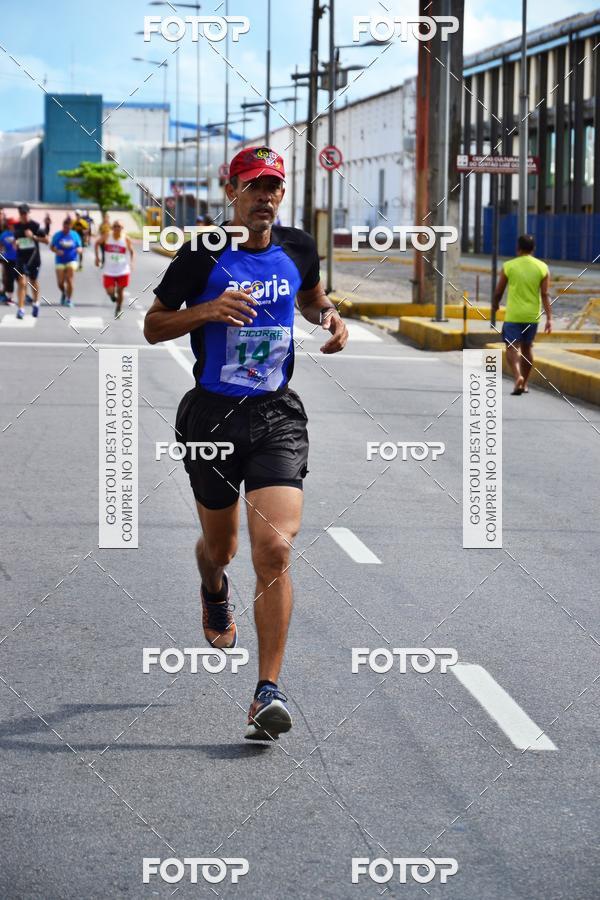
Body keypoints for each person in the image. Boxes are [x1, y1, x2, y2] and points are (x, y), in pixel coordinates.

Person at [144, 146, 348, 741]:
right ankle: (213, 589)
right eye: (254, 185)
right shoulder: (203, 250)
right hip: (210, 416)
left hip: (276, 416)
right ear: (230, 189)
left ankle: (266, 692)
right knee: (223, 548)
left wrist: (331, 318)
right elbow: (154, 326)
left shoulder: (298, 246)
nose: (266, 196)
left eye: (274, 186)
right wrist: (207, 310)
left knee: (276, 549)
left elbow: (310, 298)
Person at [493, 234, 552, 395]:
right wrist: (550, 319)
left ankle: (517, 376)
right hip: (532, 316)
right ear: (533, 249)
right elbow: (545, 294)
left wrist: (495, 305)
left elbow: (499, 291)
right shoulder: (542, 267)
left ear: (517, 248)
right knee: (527, 348)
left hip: (513, 315)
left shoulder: (509, 266)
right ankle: (524, 383)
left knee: (512, 347)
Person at [14, 203, 49, 319]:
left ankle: (36, 303)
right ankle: (21, 309)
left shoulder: (36, 225)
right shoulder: (16, 226)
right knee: (22, 282)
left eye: (25, 213)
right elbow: (15, 240)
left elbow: (46, 240)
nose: (24, 215)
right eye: (21, 213)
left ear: (29, 213)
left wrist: (33, 237)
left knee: (33, 281)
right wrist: (15, 244)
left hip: (34, 258)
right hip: (21, 258)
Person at [95, 220, 134, 318]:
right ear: (112, 227)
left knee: (120, 291)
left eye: (119, 226)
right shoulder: (108, 236)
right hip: (109, 270)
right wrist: (97, 257)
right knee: (110, 291)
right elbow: (96, 243)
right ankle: (113, 296)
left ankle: (119, 308)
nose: (117, 228)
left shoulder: (126, 239)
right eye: (115, 226)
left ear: (122, 228)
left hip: (123, 270)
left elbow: (132, 251)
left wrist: (132, 263)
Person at [50, 218, 82, 307]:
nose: (66, 229)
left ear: (71, 227)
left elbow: (80, 247)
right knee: (60, 283)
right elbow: (51, 247)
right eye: (64, 227)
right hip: (60, 260)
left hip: (72, 260)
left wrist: (79, 250)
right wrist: (56, 251)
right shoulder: (57, 235)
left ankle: (69, 299)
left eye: (68, 227)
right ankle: (64, 292)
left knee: (69, 279)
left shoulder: (75, 235)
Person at [0, 218, 17, 304]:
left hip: (19, 259)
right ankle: (10, 297)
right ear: (9, 225)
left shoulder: (18, 233)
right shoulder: (4, 235)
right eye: (13, 224)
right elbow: (0, 245)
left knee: (20, 278)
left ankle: (24, 295)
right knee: (9, 279)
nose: (14, 226)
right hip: (8, 259)